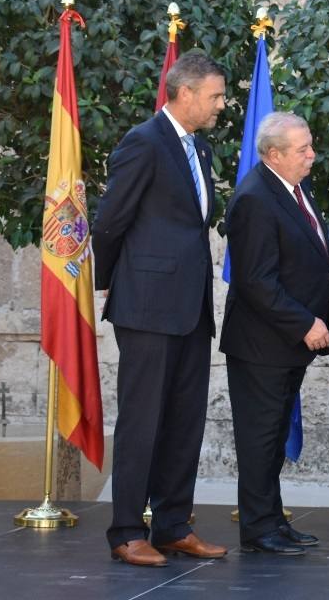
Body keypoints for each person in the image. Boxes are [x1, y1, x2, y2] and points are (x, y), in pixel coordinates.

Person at [93, 52, 228, 567]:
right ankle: (127, 531)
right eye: (214, 95)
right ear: (185, 92)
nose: (220, 104)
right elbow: (110, 223)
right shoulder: (142, 142)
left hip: (191, 308)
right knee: (143, 421)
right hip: (147, 307)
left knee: (184, 420)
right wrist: (113, 285)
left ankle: (173, 524)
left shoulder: (201, 147)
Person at [220, 112, 329, 555]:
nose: (312, 155)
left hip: (284, 345)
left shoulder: (294, 188)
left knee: (272, 439)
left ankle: (272, 520)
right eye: (302, 149)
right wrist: (305, 322)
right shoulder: (254, 198)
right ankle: (258, 528)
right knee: (260, 438)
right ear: (273, 154)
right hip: (261, 345)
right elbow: (256, 280)